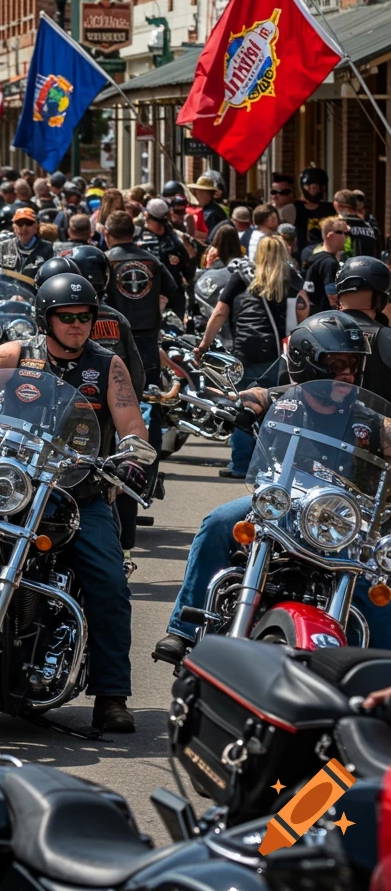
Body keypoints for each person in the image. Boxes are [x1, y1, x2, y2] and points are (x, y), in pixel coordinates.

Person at [0, 273, 148, 733]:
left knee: (109, 582)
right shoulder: (17, 354)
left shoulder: (107, 366)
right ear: (45, 320)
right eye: (66, 318)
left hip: (76, 494)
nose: (76, 325)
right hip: (9, 483)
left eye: (85, 317)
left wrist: (132, 451)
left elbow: (130, 419)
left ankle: (112, 695)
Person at [153, 312, 391, 665]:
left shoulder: (368, 419)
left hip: (339, 522)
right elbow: (253, 396)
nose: (347, 373)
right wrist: (238, 403)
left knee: (379, 580)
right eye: (337, 363)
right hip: (281, 507)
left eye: (353, 364)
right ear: (306, 363)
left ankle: (379, 669)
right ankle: (182, 630)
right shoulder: (282, 400)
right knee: (219, 522)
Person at [195, 234, 307, 478]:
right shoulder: (292, 279)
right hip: (275, 353)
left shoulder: (243, 275)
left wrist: (204, 344)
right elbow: (302, 314)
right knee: (275, 409)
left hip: (245, 350)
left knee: (244, 406)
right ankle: (268, 467)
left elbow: (219, 313)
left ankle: (241, 465)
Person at [103, 210, 177, 459]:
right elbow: (174, 290)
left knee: (114, 402)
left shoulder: (107, 261)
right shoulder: (151, 261)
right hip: (146, 342)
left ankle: (119, 458)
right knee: (149, 401)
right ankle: (149, 461)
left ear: (107, 234)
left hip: (113, 341)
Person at [335, 256, 391, 403]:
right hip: (377, 424)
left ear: (340, 296)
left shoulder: (312, 329)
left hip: (320, 423)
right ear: (380, 299)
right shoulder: (386, 337)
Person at [137, 198, 194, 314]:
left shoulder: (177, 240)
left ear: (147, 215)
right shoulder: (139, 238)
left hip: (173, 298)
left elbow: (189, 271)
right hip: (148, 297)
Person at [302, 215, 349, 314]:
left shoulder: (314, 258)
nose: (346, 237)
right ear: (330, 235)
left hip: (310, 316)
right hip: (324, 319)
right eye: (342, 232)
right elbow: (333, 298)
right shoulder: (329, 263)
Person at [0, 207, 55, 278]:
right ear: (14, 227)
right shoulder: (3, 246)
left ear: (36, 227)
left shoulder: (48, 248)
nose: (24, 228)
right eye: (20, 224)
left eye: (29, 223)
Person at [334, 188, 379, 259]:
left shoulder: (337, 227)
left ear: (336, 206)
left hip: (347, 268)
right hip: (369, 267)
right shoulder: (370, 228)